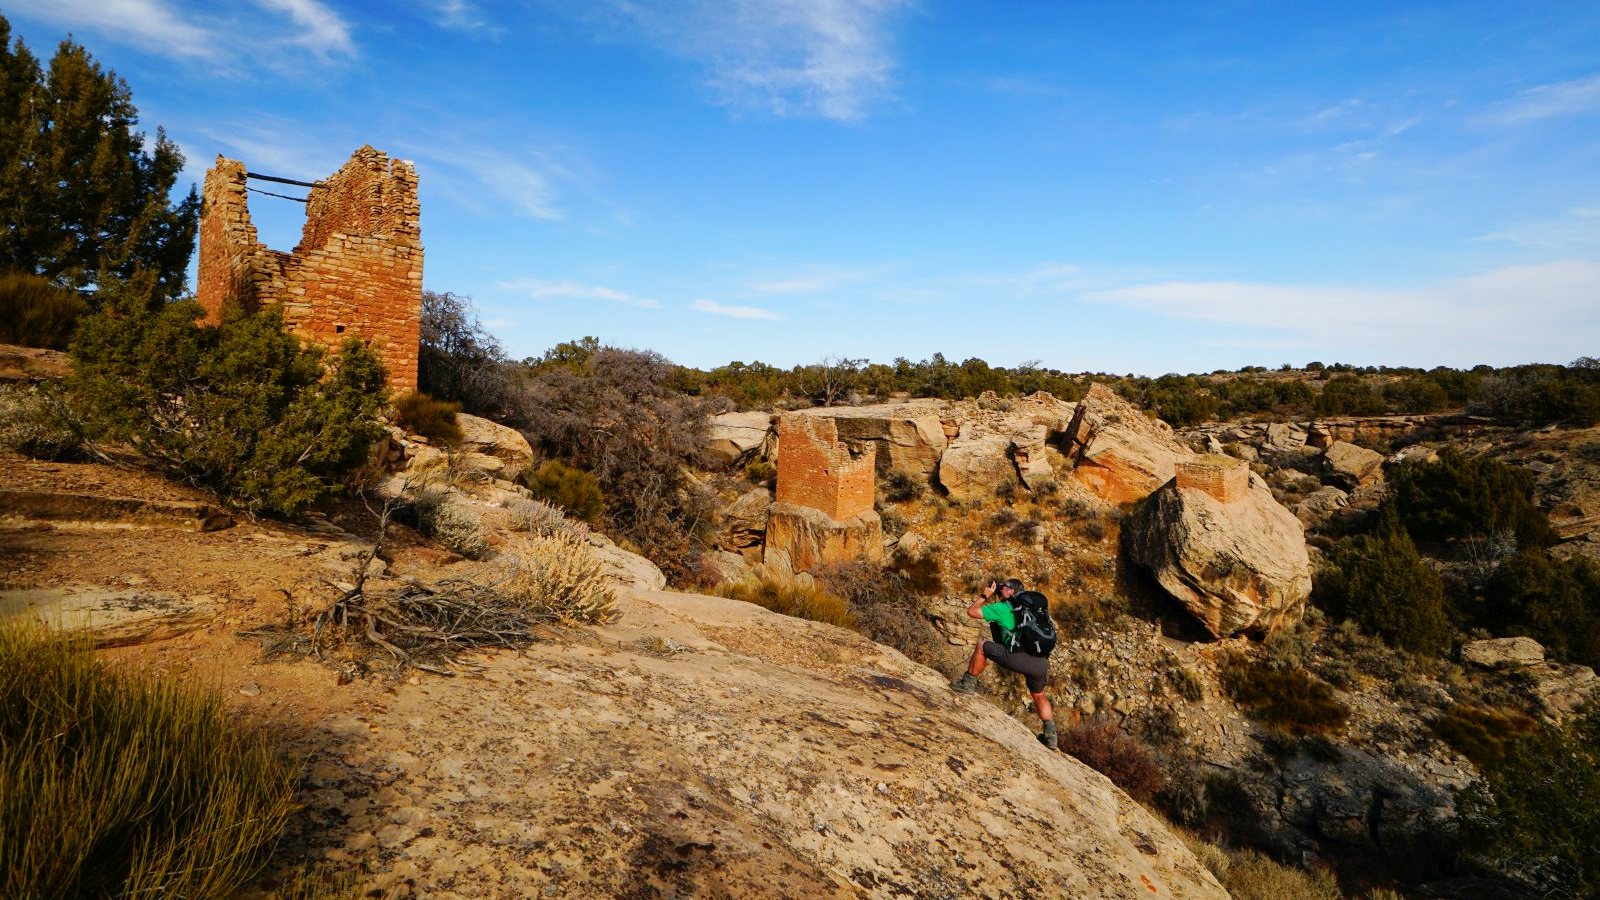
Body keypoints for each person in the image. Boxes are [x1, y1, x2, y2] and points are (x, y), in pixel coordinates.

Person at [950, 576, 1057, 749]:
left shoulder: (1003, 608)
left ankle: (967, 683)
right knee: (1038, 694)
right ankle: (1051, 735)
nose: (999, 592)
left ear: (1011, 591)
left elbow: (972, 612)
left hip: (1018, 658)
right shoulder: (1035, 611)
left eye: (1002, 589)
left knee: (981, 645)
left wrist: (985, 595)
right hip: (1041, 663)